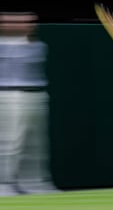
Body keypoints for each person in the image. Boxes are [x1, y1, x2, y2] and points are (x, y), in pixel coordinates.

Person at [0, 12, 59, 196]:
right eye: (18, 21)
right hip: (9, 96)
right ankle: (3, 184)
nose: (28, 24)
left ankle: (35, 183)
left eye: (30, 21)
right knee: (9, 143)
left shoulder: (38, 46)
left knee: (35, 144)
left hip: (36, 96)